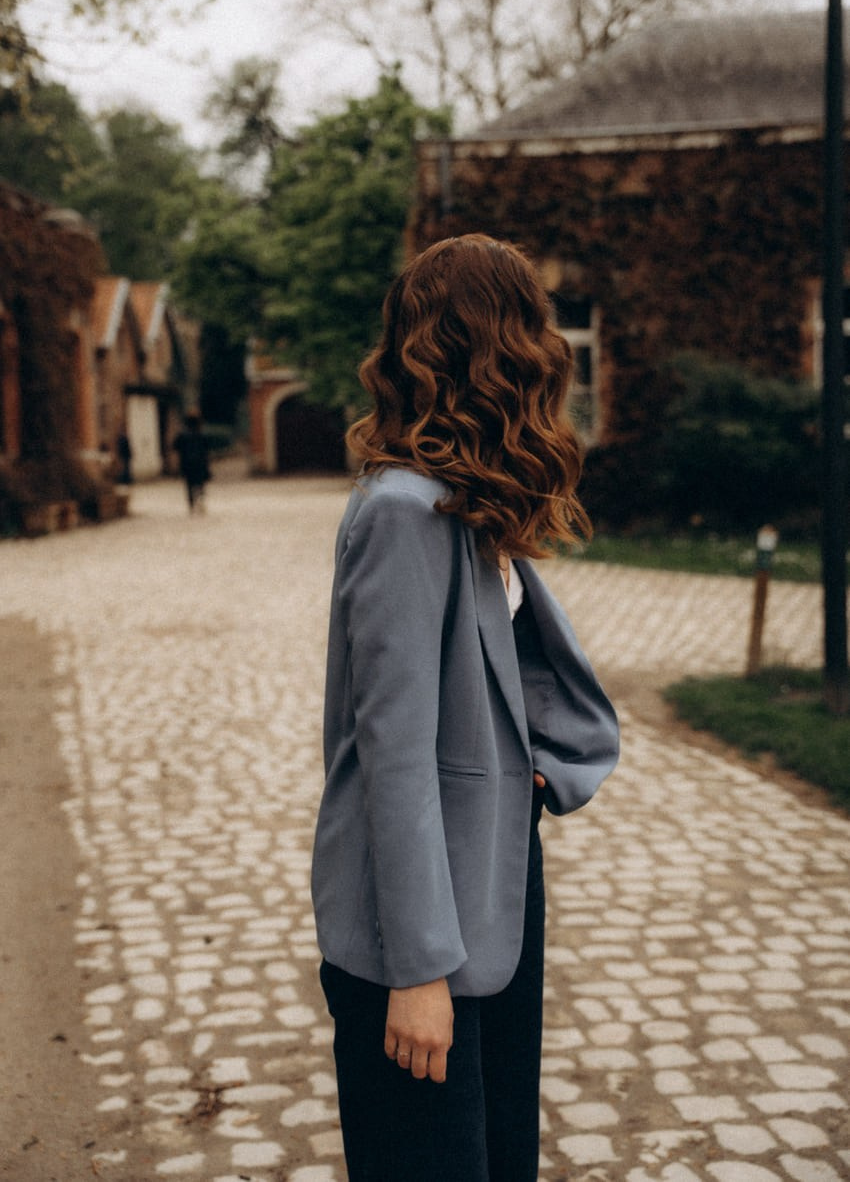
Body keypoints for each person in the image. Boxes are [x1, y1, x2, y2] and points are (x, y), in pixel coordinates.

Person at [311, 234, 620, 1182]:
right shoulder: (405, 513)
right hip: (424, 929)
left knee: (495, 1160)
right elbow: (393, 756)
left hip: (492, 890)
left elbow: (513, 670)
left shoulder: (469, 505)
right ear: (501, 349)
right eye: (535, 331)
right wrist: (417, 971)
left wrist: (527, 771)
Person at [172, 409, 211, 512]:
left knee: (189, 485)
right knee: (200, 484)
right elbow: (207, 451)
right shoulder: (202, 435)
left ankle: (191, 504)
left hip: (187, 464)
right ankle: (200, 500)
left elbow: (175, 448)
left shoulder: (182, 435)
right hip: (200, 464)